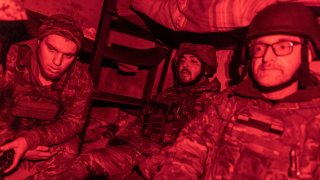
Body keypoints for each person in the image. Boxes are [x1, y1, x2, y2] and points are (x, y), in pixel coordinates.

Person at [154, 2, 320, 179]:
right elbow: (185, 153)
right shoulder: (228, 102)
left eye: (282, 47)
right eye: (259, 48)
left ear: (307, 55)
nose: (267, 57)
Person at [59, 43, 221, 179]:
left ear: (206, 69)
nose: (185, 66)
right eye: (182, 61)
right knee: (85, 161)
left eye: (194, 62)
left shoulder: (212, 103)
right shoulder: (166, 94)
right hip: (137, 150)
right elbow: (141, 123)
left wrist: (157, 161)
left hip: (167, 162)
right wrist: (115, 140)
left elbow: (201, 150)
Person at [0, 14, 93, 179]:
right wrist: (13, 142)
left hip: (42, 135)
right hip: (6, 131)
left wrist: (30, 140)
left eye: (68, 55)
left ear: (77, 57)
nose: (57, 62)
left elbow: (73, 122)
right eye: (51, 49)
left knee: (69, 149)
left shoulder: (81, 78)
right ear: (38, 42)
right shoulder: (9, 58)